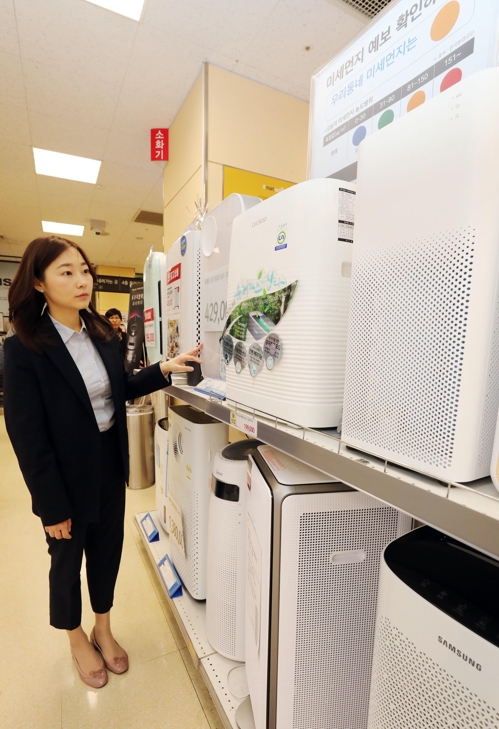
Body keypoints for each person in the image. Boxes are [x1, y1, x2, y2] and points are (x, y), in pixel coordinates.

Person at [3, 236, 202, 689]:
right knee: (66, 561)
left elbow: (121, 387)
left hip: (109, 465)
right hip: (63, 479)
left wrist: (164, 368)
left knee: (107, 552)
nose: (82, 281)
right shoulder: (24, 349)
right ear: (39, 283)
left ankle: (103, 629)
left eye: (84, 271)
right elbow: (27, 438)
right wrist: (51, 506)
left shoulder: (102, 334)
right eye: (66, 272)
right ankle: (76, 638)